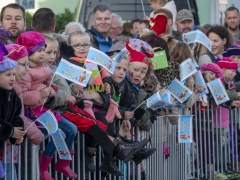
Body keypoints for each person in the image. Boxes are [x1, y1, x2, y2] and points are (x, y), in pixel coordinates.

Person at [16, 31, 78, 180]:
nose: (43, 54)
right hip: (34, 111)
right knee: (60, 134)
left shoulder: (44, 67)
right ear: (28, 52)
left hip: (44, 107)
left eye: (44, 50)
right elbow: (23, 97)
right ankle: (43, 169)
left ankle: (63, 163)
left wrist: (53, 90)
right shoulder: (26, 72)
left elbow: (45, 84)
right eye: (39, 51)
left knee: (72, 129)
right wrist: (41, 94)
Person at [0, 46, 25, 180]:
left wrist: (18, 133)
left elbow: (17, 115)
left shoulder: (12, 94)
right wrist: (10, 131)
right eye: (8, 75)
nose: (12, 78)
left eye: (14, 74)